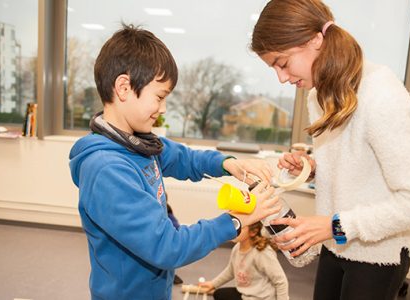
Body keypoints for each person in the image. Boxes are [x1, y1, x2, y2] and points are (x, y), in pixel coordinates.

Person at [68, 23, 280, 300]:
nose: (163, 109)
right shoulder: (107, 169)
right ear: (123, 87)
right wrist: (236, 223)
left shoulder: (138, 142)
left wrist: (228, 164)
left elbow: (184, 158)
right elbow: (166, 246)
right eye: (159, 96)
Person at [250, 1, 410, 299]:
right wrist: (312, 167)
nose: (282, 78)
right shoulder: (317, 96)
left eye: (283, 63)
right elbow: (358, 162)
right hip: (336, 240)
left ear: (315, 40)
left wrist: (335, 225)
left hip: (379, 252)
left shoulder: (380, 94)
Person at [199, 221, 289, 300]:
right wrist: (213, 284)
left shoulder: (262, 253)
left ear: (253, 232)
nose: (233, 230)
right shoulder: (237, 247)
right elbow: (231, 270)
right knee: (219, 294)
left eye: (239, 227)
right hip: (245, 295)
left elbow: (281, 281)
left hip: (261, 298)